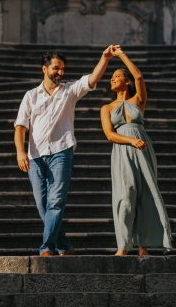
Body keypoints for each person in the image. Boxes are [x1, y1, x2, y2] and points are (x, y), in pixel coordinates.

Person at [14, 45, 119, 257]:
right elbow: (20, 127)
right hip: (35, 156)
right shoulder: (31, 96)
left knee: (55, 202)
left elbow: (91, 80)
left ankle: (47, 248)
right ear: (44, 69)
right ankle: (65, 246)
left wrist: (104, 58)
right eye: (56, 68)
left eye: (62, 69)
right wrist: (20, 152)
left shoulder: (69, 91)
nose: (60, 73)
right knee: (42, 204)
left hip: (62, 152)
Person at [100, 47, 173, 255]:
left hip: (143, 149)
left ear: (127, 81)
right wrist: (130, 140)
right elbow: (109, 134)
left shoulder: (138, 101)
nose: (112, 79)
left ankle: (143, 246)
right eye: (112, 77)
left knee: (145, 195)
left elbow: (139, 76)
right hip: (123, 150)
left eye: (117, 76)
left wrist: (121, 55)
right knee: (125, 195)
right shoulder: (106, 108)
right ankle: (123, 245)